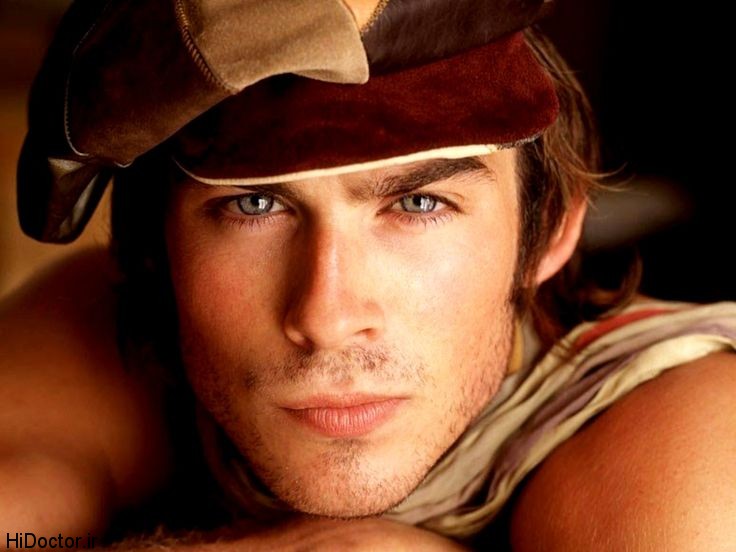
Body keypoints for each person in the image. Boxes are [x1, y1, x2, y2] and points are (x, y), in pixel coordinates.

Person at [3, 0, 736, 549]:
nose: (326, 316)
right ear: (155, 249)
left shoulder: (691, 437)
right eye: (255, 205)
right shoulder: (105, 331)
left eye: (419, 203)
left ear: (549, 231)